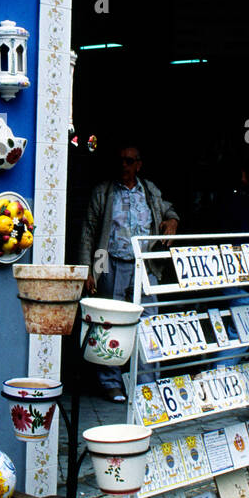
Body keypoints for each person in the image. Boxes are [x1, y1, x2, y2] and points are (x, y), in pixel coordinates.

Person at [78, 145, 179, 400]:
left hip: (145, 265)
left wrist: (172, 221)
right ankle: (110, 382)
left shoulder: (149, 190)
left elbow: (168, 209)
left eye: (129, 161)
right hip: (109, 261)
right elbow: (88, 233)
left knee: (148, 322)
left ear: (138, 165)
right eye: (121, 160)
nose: (124, 165)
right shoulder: (103, 192)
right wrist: (88, 271)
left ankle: (146, 383)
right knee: (110, 322)